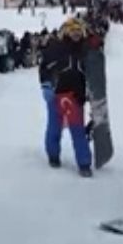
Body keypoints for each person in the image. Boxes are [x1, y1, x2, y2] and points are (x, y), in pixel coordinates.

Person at [39, 18, 92, 177]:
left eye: (78, 30)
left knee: (77, 130)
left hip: (76, 96)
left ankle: (84, 163)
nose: (76, 33)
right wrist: (46, 85)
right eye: (73, 30)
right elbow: (44, 68)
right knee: (54, 127)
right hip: (57, 93)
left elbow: (92, 72)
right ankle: (53, 155)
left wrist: (92, 90)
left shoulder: (85, 50)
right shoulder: (56, 48)